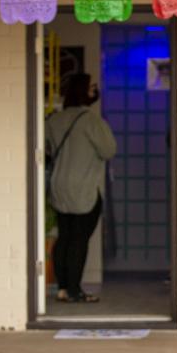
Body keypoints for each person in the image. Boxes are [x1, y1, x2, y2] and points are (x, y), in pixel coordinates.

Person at [46, 74, 116, 303]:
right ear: (84, 91)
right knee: (79, 239)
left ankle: (63, 288)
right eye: (92, 87)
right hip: (84, 187)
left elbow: (46, 149)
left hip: (59, 185)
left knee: (64, 236)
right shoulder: (91, 120)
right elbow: (108, 150)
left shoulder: (54, 119)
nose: (96, 91)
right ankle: (75, 290)